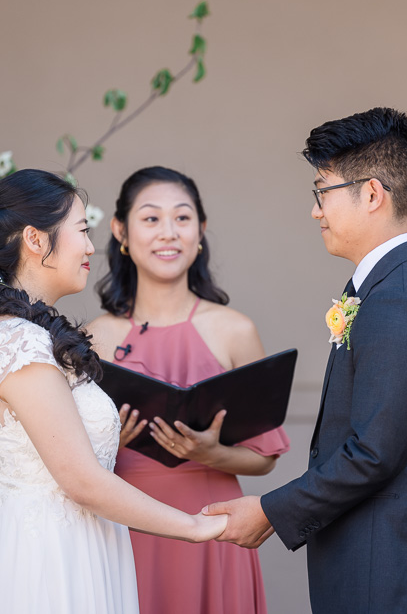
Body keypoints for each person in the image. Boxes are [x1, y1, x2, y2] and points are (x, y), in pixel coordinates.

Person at [204, 109, 407, 613]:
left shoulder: (398, 298)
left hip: (393, 572)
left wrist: (269, 511)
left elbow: (374, 453)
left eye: (321, 191)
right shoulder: (392, 283)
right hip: (383, 561)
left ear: (372, 194)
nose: (315, 210)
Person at [0, 169, 226, 614]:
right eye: (81, 230)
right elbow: (82, 480)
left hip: (77, 548)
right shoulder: (21, 343)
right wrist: (193, 526)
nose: (92, 246)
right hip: (47, 565)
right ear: (36, 240)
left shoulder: (25, 331)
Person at [86, 166, 290, 614]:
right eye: (151, 218)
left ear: (200, 232)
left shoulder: (235, 330)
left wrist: (210, 454)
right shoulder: (93, 339)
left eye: (182, 218)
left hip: (214, 526)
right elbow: (69, 460)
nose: (169, 233)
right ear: (121, 230)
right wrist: (107, 443)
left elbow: (266, 458)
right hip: (124, 529)